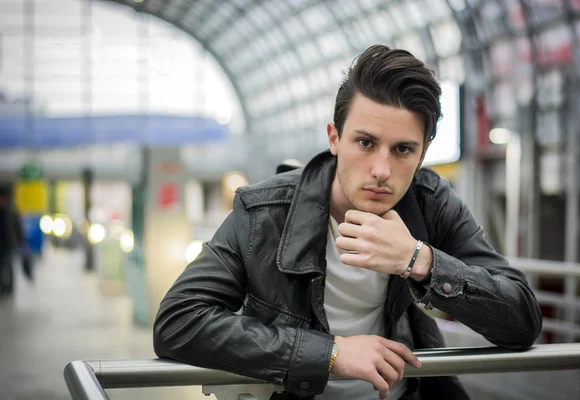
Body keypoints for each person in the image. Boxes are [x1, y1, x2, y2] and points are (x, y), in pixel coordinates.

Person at [154, 45, 542, 400]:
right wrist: (330, 354)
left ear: (423, 154)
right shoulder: (265, 211)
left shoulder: (430, 202)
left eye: (403, 150)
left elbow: (523, 319)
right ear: (334, 138)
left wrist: (418, 260)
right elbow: (178, 321)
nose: (381, 170)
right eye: (366, 142)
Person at [0, 184, 26, 296]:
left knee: (8, 265)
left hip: (9, 243)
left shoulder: (11, 211)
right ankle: (3, 287)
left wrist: (21, 241)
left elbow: (18, 227)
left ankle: (9, 288)